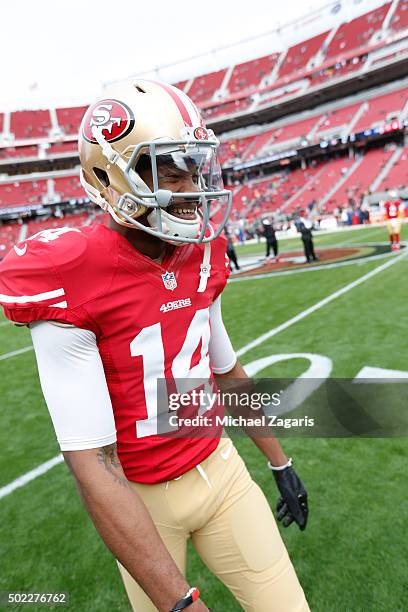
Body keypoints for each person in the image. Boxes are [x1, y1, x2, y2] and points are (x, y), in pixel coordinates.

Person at [0, 80, 309, 612]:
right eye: (170, 167)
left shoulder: (203, 249)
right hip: (142, 501)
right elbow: (93, 463)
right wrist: (180, 604)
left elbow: (227, 372)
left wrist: (278, 461)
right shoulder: (70, 272)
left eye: (194, 166)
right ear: (113, 175)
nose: (191, 185)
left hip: (223, 470)